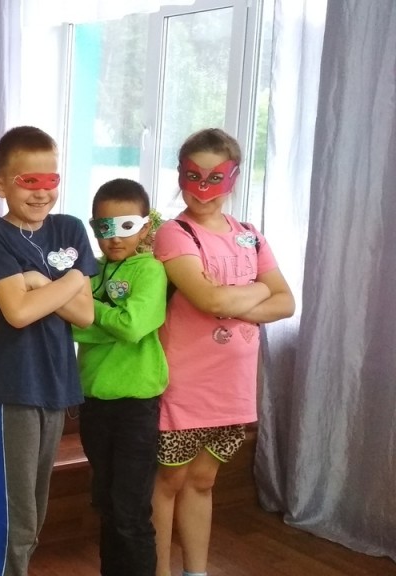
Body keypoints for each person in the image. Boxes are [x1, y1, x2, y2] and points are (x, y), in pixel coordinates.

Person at [151, 128, 295, 576]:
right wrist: (257, 290)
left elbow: (286, 302)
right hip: (185, 384)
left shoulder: (250, 236)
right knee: (169, 480)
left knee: (203, 480)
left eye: (216, 177)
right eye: (193, 176)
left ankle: (196, 571)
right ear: (180, 175)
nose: (203, 188)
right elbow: (208, 299)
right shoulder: (174, 234)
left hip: (232, 388)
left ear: (233, 178)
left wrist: (235, 296)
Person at [0, 125, 98, 576]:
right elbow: (19, 312)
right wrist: (72, 281)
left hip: (57, 385)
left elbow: (86, 315)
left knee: (36, 511)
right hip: (13, 389)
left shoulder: (69, 228)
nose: (42, 192)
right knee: (16, 517)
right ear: (0, 185)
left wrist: (41, 281)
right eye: (29, 181)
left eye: (51, 180)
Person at [72, 179, 168, 576]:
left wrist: (90, 311)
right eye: (104, 227)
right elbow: (75, 329)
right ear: (94, 227)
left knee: (130, 511)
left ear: (145, 227)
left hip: (135, 408)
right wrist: (101, 320)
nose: (114, 237)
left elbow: (133, 326)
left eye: (126, 226)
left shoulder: (150, 270)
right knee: (107, 505)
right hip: (94, 405)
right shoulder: (89, 272)